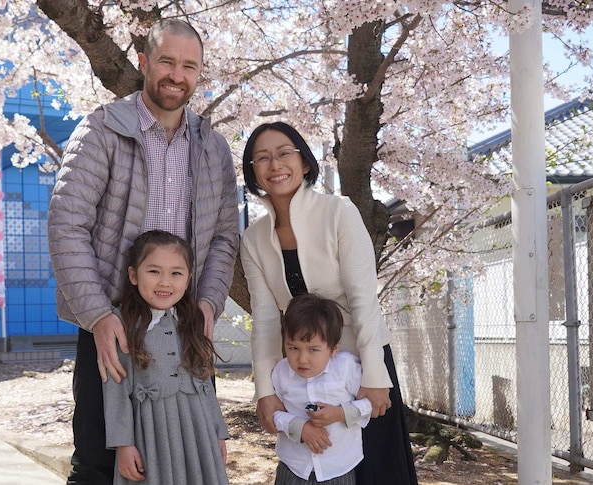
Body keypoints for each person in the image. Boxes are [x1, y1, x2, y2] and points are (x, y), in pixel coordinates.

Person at [48, 18, 239, 485]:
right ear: (144, 62)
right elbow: (66, 223)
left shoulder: (213, 148)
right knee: (97, 459)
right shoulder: (102, 130)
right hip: (112, 321)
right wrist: (97, 315)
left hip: (186, 326)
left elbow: (223, 239)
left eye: (189, 66)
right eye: (167, 62)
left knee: (189, 457)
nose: (177, 75)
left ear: (200, 72)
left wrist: (209, 303)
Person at [240, 121, 418, 484]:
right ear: (253, 172)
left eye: (284, 153)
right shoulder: (253, 238)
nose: (275, 165)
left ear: (304, 162)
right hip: (303, 367)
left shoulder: (340, 212)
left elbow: (363, 295)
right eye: (262, 158)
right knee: (313, 465)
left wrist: (373, 373)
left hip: (360, 356)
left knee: (378, 472)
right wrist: (265, 391)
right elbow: (265, 318)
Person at [103, 230, 230, 485]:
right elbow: (115, 388)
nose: (165, 282)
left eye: (176, 273)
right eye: (154, 271)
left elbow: (205, 384)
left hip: (198, 429)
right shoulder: (122, 324)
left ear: (188, 278)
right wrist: (123, 444)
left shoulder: (193, 321)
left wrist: (218, 432)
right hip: (152, 432)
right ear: (133, 275)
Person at [271, 293, 372, 485]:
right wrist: (298, 427)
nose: (302, 359)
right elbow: (273, 413)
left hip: (338, 469)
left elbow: (370, 405)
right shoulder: (280, 372)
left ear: (334, 348)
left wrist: (340, 413)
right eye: (293, 348)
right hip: (293, 468)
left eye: (313, 350)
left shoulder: (347, 368)